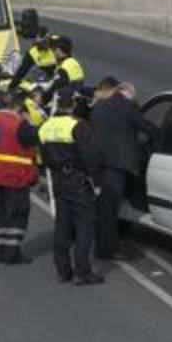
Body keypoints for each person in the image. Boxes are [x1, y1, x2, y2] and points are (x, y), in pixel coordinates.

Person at [89, 77, 160, 260]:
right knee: (110, 210)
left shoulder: (99, 107)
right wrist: (162, 136)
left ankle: (101, 245)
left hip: (98, 164)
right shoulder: (126, 107)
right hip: (117, 165)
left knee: (103, 207)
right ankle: (106, 250)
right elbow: (148, 128)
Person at [39, 89, 104, 285]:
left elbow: (43, 157)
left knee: (63, 225)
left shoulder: (45, 127)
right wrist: (98, 182)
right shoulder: (78, 126)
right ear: (73, 105)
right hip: (77, 180)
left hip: (58, 180)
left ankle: (63, 270)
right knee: (84, 225)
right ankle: (82, 272)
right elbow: (90, 157)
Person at [0, 90, 42, 264]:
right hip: (15, 177)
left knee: (0, 216)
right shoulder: (19, 125)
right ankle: (11, 253)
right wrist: (30, 121)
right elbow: (35, 138)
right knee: (18, 214)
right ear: (17, 106)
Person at [43, 36, 87, 104]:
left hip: (63, 103)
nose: (51, 51)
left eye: (53, 49)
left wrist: (42, 99)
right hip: (74, 100)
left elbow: (53, 89)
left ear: (58, 50)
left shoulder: (64, 67)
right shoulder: (73, 62)